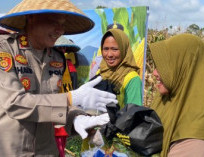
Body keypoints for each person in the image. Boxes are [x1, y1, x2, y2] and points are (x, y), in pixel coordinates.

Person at [0, 0, 118, 156]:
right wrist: (70, 98)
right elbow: (14, 103)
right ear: (31, 18)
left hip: (47, 151)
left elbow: (52, 104)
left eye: (63, 24)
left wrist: (76, 118)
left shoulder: (57, 59)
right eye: (53, 21)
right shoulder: (5, 50)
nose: (60, 30)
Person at [149, 33, 204, 157]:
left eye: (165, 66)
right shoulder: (169, 100)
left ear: (184, 70)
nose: (154, 73)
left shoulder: (197, 139)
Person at [82, 29, 143, 156]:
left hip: (115, 148)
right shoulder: (100, 74)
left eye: (115, 49)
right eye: (106, 49)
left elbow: (131, 119)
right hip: (92, 141)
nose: (109, 54)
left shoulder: (131, 79)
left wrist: (116, 146)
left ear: (124, 49)